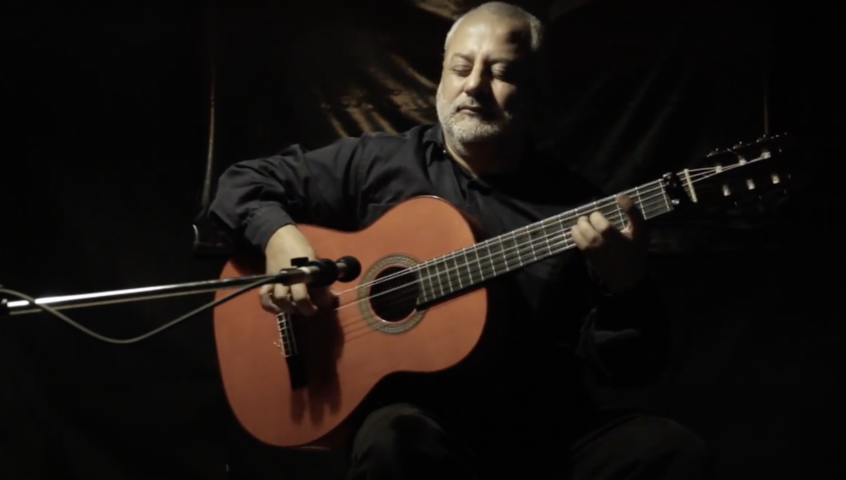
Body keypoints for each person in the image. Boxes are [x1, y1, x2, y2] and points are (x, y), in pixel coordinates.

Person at [209, 2, 712, 479]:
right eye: (461, 68)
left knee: (670, 450)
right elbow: (243, 182)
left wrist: (627, 288)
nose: (474, 86)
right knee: (393, 437)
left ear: (535, 89)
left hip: (537, 436)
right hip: (425, 431)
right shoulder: (378, 162)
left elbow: (628, 371)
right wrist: (282, 240)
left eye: (501, 72)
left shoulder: (577, 209)